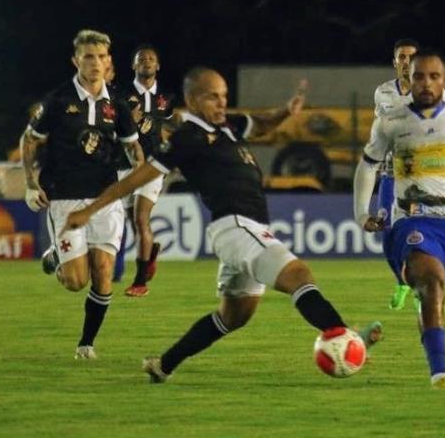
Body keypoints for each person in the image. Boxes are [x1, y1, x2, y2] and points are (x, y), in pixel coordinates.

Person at [63, 67, 383, 383]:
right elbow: (140, 176)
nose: (221, 103)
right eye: (212, 97)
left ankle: (164, 364)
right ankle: (347, 337)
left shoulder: (229, 126)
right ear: (191, 99)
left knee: (235, 316)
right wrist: (90, 210)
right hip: (236, 226)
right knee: (298, 275)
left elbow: (261, 125)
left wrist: (287, 110)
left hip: (245, 230)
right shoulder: (188, 136)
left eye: (224, 96)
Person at [354, 50, 445, 390]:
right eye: (419, 76)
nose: (426, 83)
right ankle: (440, 375)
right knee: (431, 286)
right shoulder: (391, 121)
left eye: (433, 76)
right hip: (413, 222)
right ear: (410, 79)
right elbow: (367, 165)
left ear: (444, 81)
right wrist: (361, 212)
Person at [21, 29, 143, 360]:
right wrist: (31, 183)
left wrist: (139, 180)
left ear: (109, 61)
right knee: (76, 281)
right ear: (76, 60)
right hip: (65, 197)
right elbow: (30, 140)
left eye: (102, 56)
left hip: (105, 197)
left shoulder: (117, 104)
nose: (96, 63)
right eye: (89, 56)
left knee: (104, 271)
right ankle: (57, 259)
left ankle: (86, 344)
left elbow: (134, 150)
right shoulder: (58, 100)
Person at [116, 44, 176, 297]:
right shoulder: (120, 94)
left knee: (141, 219)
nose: (147, 62)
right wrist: (130, 119)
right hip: (124, 164)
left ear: (158, 65)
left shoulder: (167, 97)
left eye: (151, 59)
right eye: (142, 59)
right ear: (134, 66)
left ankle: (140, 282)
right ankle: (149, 253)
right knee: (133, 223)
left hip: (152, 165)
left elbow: (167, 128)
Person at [373, 38, 419, 310]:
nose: (406, 62)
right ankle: (401, 281)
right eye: (402, 57)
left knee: (416, 231)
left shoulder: (431, 91)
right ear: (394, 62)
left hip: (419, 176)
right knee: (387, 233)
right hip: (390, 173)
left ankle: (420, 289)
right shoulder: (383, 93)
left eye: (411, 57)